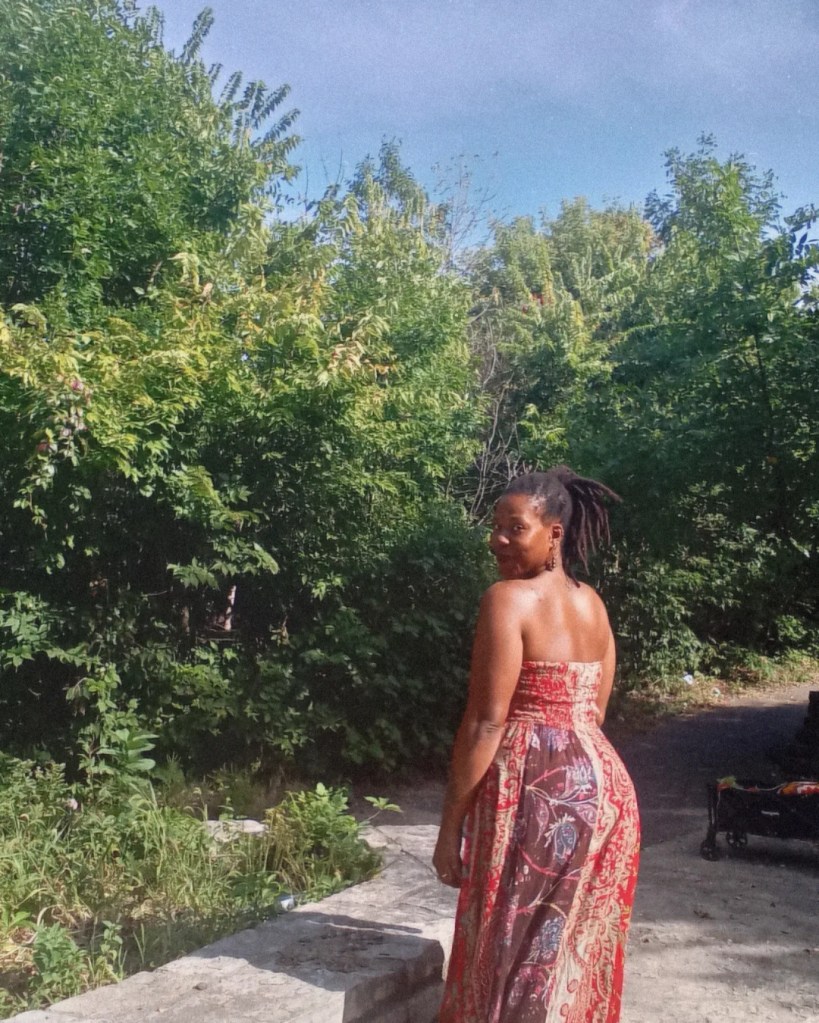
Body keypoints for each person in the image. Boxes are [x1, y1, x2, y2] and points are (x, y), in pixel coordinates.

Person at [434, 466, 640, 1023]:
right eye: (495, 526)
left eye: (514, 527)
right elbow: (593, 711)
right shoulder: (593, 604)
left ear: (554, 533)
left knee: (507, 947)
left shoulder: (507, 600)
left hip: (538, 795)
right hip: (607, 796)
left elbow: (485, 723)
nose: (498, 539)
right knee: (570, 953)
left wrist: (450, 826)